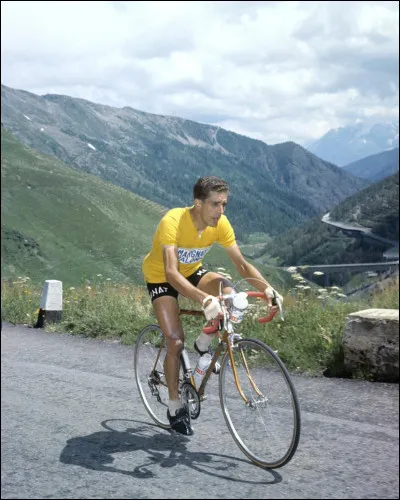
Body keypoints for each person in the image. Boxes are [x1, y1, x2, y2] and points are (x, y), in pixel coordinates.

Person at [142, 176, 283, 435]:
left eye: (224, 205)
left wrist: (267, 289)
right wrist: (204, 299)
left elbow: (241, 264)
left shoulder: (221, 224)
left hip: (193, 272)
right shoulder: (172, 221)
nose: (221, 211)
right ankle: (174, 406)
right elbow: (172, 273)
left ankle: (204, 343)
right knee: (174, 341)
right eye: (215, 204)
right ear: (198, 203)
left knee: (231, 293)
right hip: (162, 277)